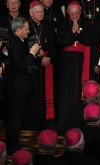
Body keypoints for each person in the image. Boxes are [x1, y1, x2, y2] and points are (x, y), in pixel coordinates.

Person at [5, 17, 40, 155]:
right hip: (16, 89)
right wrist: (32, 52)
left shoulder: (20, 41)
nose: (28, 31)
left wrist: (35, 55)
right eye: (26, 28)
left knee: (15, 118)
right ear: (18, 30)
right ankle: (13, 147)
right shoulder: (14, 42)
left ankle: (12, 144)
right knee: (15, 119)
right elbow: (19, 65)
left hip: (19, 87)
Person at [57, 1, 94, 127]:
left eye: (76, 13)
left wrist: (79, 32)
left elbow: (90, 40)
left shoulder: (87, 23)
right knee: (67, 91)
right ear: (67, 12)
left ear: (80, 12)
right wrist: (73, 33)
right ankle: (65, 120)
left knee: (81, 90)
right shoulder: (62, 24)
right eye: (72, 13)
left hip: (83, 61)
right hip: (67, 63)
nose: (74, 16)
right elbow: (61, 42)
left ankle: (81, 119)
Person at [24, 1, 56, 129]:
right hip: (32, 66)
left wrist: (48, 58)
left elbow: (54, 46)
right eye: (38, 12)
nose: (41, 14)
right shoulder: (26, 26)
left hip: (47, 64)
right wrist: (39, 58)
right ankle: (33, 122)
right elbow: (23, 47)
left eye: (42, 11)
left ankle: (46, 120)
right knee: (34, 93)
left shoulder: (47, 25)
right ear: (31, 13)